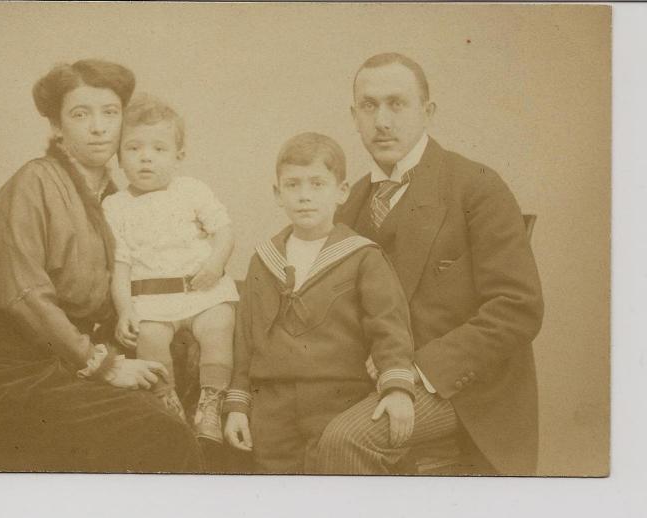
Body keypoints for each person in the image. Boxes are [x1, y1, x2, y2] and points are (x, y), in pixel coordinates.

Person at [0, 60, 203, 472]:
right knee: (158, 432)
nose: (98, 128)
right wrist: (105, 365)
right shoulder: (33, 183)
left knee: (186, 407)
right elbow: (24, 296)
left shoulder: (119, 202)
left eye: (110, 113)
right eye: (81, 115)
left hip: (69, 361)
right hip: (5, 372)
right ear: (56, 126)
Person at [318, 52, 544, 475]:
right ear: (354, 116)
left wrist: (415, 369)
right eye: (369, 106)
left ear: (428, 111)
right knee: (279, 424)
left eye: (397, 104)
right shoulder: (350, 203)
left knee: (347, 438)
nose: (382, 120)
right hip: (376, 378)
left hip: (462, 388)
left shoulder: (476, 186)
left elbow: (518, 309)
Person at [222, 132, 417, 474]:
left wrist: (397, 388)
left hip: (339, 398)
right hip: (272, 407)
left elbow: (389, 327)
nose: (304, 196)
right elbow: (245, 340)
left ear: (341, 192)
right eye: (293, 185)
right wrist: (238, 404)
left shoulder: (362, 257)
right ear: (277, 194)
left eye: (317, 184)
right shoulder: (263, 260)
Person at [102, 95, 239, 444]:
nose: (146, 157)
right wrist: (125, 310)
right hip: (152, 299)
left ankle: (211, 402)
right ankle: (167, 401)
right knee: (149, 336)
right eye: (134, 148)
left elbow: (224, 231)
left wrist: (215, 263)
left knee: (219, 323)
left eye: (159, 149)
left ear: (179, 156)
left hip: (201, 290)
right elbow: (120, 266)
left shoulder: (191, 190)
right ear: (119, 157)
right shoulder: (115, 206)